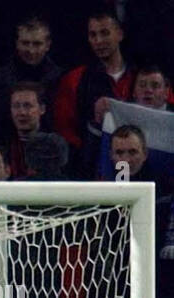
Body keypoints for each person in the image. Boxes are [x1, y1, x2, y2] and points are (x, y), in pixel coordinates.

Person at [53, 9, 134, 178]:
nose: (98, 41)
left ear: (119, 34)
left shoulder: (142, 77)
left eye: (105, 33)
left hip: (141, 167)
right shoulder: (74, 79)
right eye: (93, 35)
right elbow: (65, 131)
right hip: (93, 170)